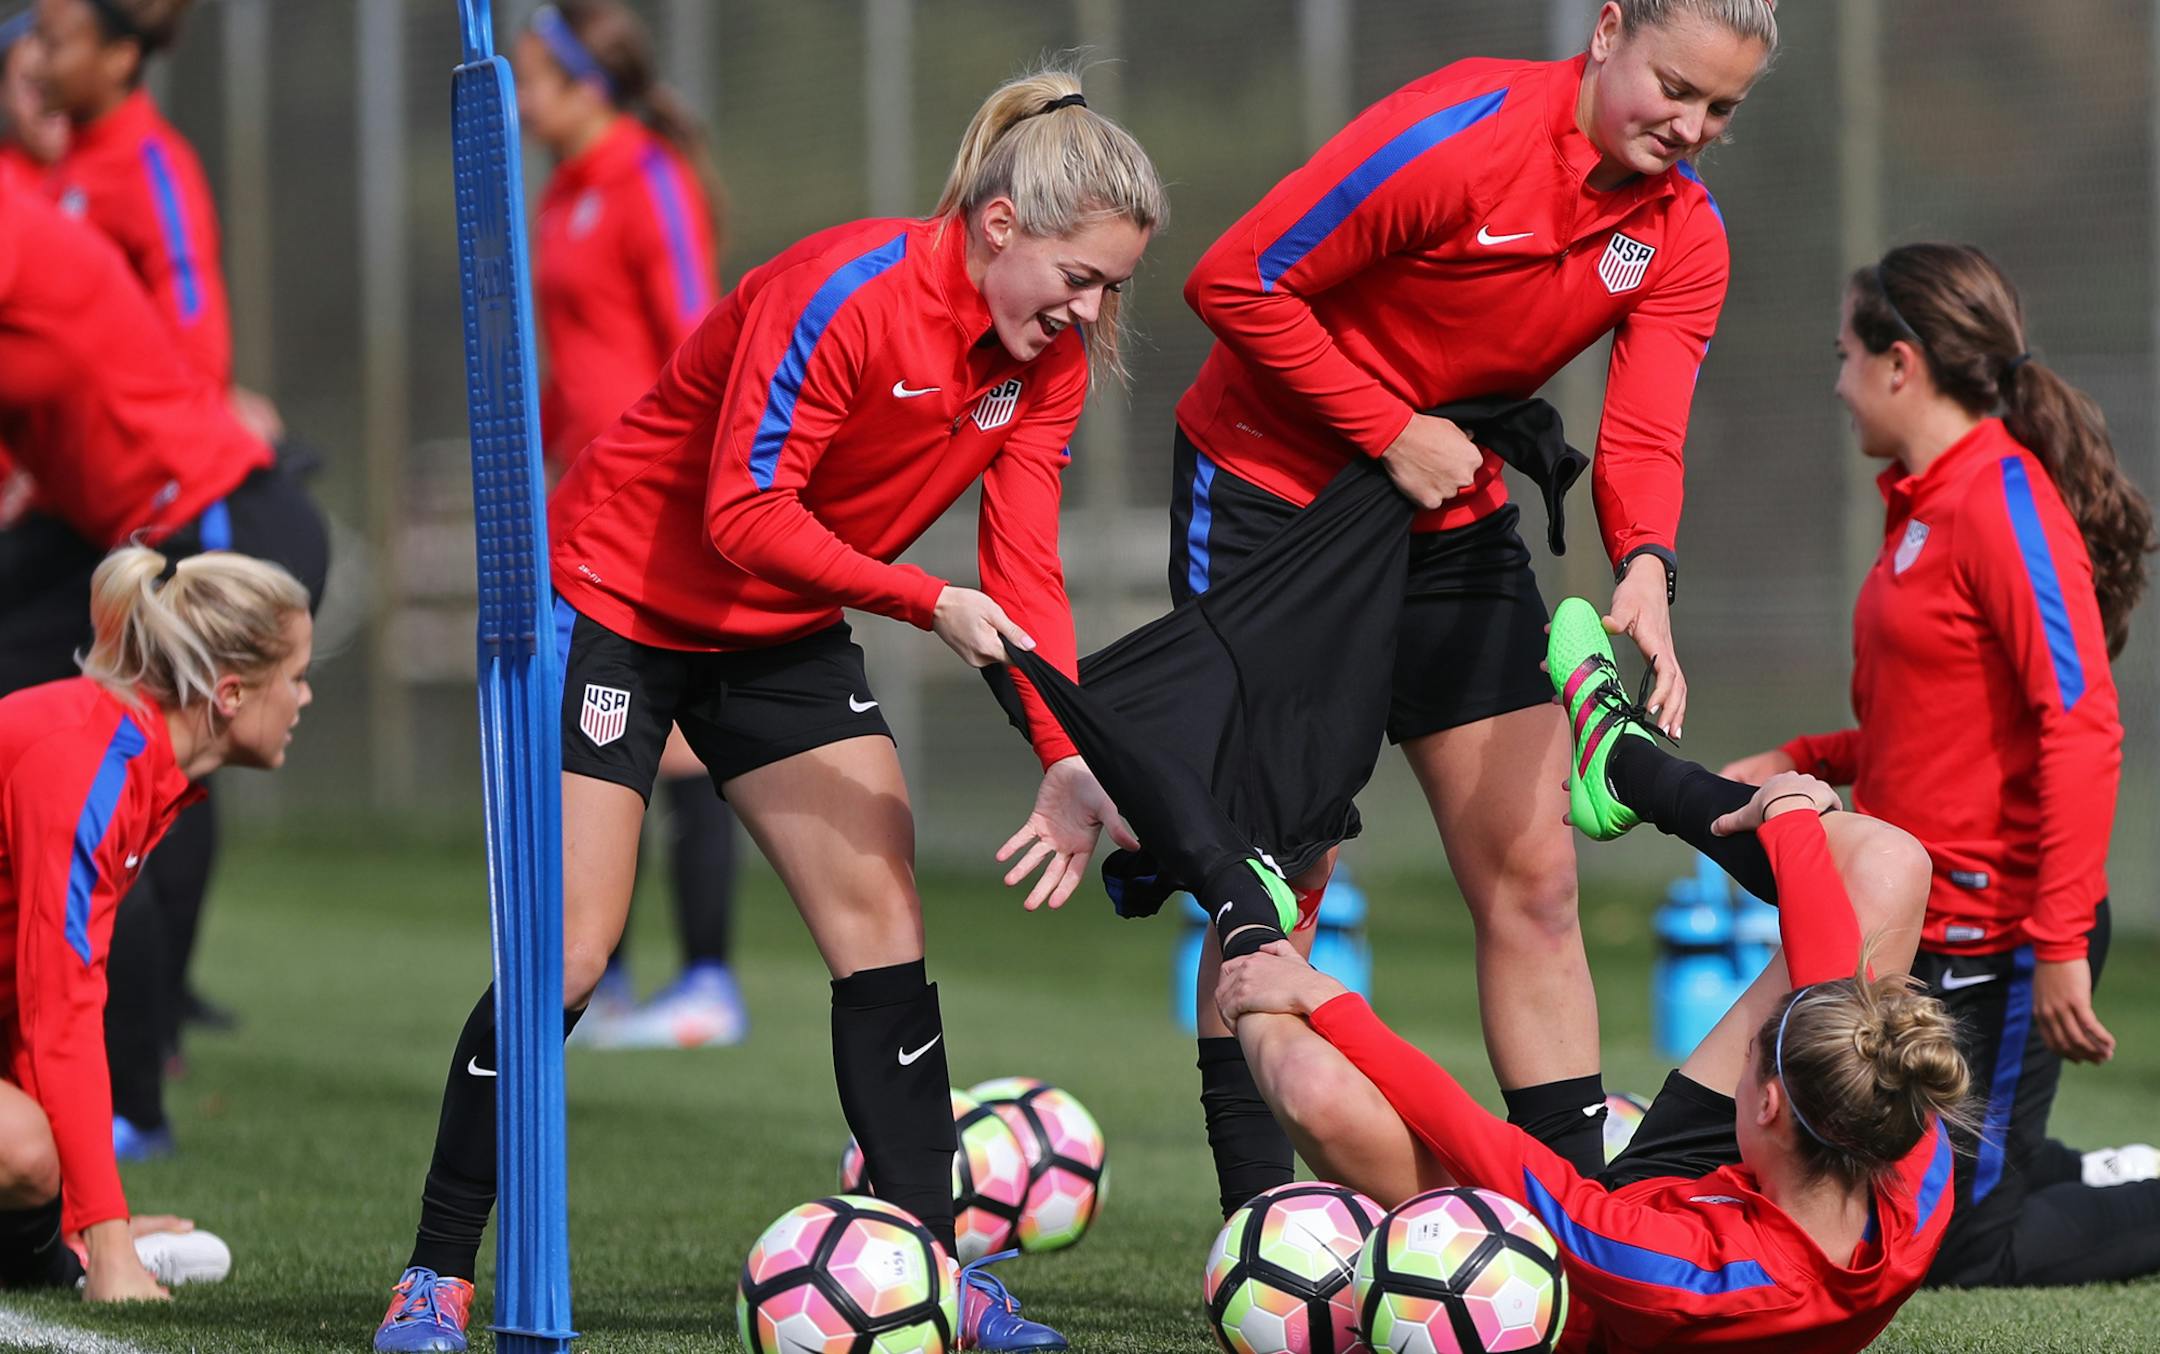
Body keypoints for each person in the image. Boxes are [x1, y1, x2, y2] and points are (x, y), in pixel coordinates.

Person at [372, 66, 1164, 1353]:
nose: (1090, 309)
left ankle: (927, 1274)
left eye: (1112, 289)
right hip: (619, 597)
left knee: (884, 924)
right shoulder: (842, 292)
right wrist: (921, 601)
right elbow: (740, 513)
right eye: (1080, 276)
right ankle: (435, 1275)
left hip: (780, 624)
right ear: (1002, 224)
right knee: (569, 954)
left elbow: (1023, 573)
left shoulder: (1048, 364)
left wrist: (1067, 755)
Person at [1168, 0, 1776, 1210]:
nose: (1695, 127)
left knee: (1533, 869)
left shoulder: (1682, 232)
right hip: (1273, 499)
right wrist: (1389, 430)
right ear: (1607, 31)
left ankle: (1573, 1223)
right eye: (1677, 87)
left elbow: (1645, 426)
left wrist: (1647, 566)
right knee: (1284, 879)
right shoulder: (1460, 133)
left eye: (1724, 109)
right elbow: (1232, 282)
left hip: (1450, 510)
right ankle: (1258, 1232)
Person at [1211, 600, 1967, 1353]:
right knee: (1892, 863)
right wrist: (1793, 817)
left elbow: (1503, 1157)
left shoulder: (1677, 1267)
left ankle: (1242, 904)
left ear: (1768, 1102)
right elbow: (1832, 983)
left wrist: (1331, 1003)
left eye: (1751, 1067)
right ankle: (1625, 763)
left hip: (1580, 1276)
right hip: (1736, 1193)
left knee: (1314, 1088)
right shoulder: (1901, 1151)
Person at [1720, 242, 2160, 1288]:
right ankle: (2087, 1168)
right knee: (1898, 1190)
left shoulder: (2003, 500)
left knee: (1961, 1245)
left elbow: (2082, 719)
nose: (1836, 381)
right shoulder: (1921, 504)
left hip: (2004, 937)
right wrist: (1806, 757)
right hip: (1930, 925)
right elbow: (1943, 724)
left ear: (1900, 362)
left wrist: (2055, 941)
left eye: (1844, 354)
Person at [0, 175, 329, 1154]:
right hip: (102, 528)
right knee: (87, 780)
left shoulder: (27, 210)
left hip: (206, 511)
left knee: (134, 779)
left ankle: (134, 1088)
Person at [511, 0, 746, 1049]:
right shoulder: (563, 192)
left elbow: (697, 338)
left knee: (679, 736)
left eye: (532, 78)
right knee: (593, 730)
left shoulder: (648, 178)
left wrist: (688, 491)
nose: (519, 100)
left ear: (585, 82)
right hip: (587, 497)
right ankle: (603, 972)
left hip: (657, 500)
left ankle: (709, 981)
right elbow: (577, 361)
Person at [0, 543, 312, 1302]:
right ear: (231, 694)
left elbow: (34, 1001)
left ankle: (54, 1246)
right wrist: (108, 1245)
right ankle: (61, 1260)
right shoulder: (89, 767)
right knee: (22, 1148)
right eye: (296, 678)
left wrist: (82, 1215)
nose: (304, 699)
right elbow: (58, 1017)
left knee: (32, 1144)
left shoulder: (134, 764)